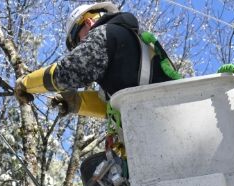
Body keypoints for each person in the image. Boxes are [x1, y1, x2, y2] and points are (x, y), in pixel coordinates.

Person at [14, 2, 180, 118]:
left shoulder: (106, 33)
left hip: (158, 120)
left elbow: (67, 72)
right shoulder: (128, 44)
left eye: (78, 42)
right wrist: (76, 102)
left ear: (88, 22)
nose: (80, 47)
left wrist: (26, 83)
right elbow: (113, 104)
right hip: (161, 116)